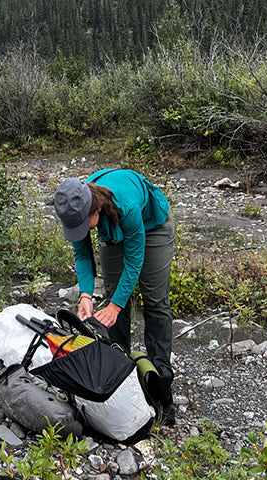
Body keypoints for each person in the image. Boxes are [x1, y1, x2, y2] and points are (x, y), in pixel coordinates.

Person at [53, 168, 176, 423]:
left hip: (152, 226)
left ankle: (161, 382)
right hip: (113, 230)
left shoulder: (127, 204)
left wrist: (117, 306)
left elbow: (134, 261)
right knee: (112, 298)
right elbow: (82, 254)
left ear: (95, 211)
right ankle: (122, 370)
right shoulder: (77, 210)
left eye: (82, 224)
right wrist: (86, 295)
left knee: (154, 301)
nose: (79, 231)